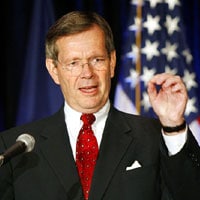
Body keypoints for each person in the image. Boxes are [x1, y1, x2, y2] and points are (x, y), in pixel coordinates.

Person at [0, 11, 199, 200]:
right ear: (53, 69)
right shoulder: (14, 149)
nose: (87, 73)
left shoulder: (153, 136)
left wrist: (174, 125)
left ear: (112, 62)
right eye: (74, 63)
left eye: (97, 60)